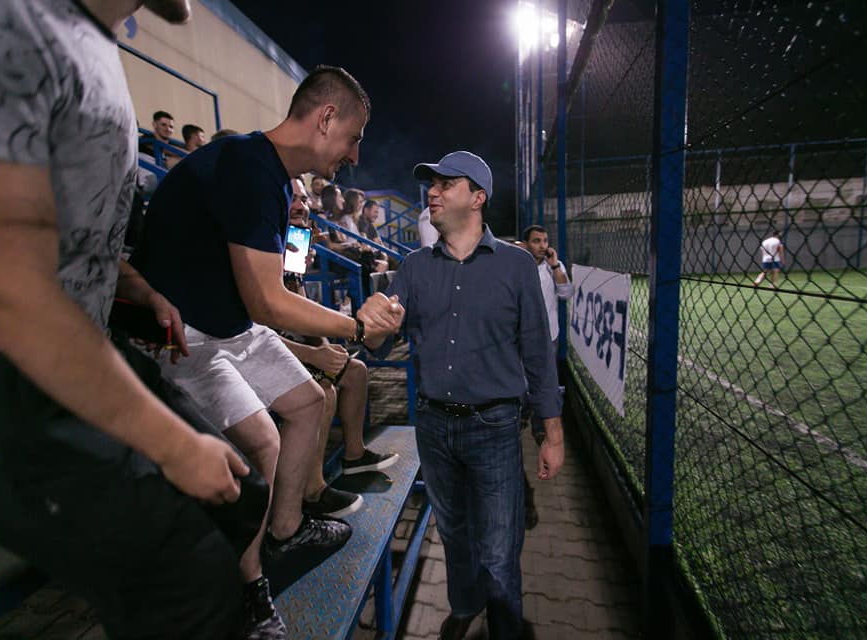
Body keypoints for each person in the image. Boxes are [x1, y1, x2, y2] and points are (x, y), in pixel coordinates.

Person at [0, 1, 280, 639]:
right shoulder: (4, 18)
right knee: (187, 576)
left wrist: (133, 285)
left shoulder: (94, 41)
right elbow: (1, 284)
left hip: (69, 347)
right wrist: (172, 444)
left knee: (239, 501)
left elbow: (71, 229)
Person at [130, 65, 404, 621]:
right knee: (264, 443)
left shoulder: (275, 178)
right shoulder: (246, 166)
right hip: (182, 340)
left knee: (308, 401)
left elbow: (271, 294)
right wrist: (356, 327)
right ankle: (248, 591)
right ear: (326, 119)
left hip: (230, 328)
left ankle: (285, 531)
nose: (353, 157)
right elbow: (266, 301)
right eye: (353, 139)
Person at [368, 151, 565, 640]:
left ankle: (502, 626)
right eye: (431, 185)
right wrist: (371, 320)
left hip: (495, 427)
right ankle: (464, 605)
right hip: (433, 425)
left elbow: (539, 354)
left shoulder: (517, 265)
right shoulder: (413, 267)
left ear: (477, 198)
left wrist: (552, 434)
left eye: (446, 184)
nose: (432, 193)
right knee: (455, 535)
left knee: (499, 547)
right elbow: (378, 341)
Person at [281, 178, 399, 518]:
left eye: (304, 199)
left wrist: (324, 345)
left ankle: (353, 455)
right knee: (324, 390)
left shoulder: (296, 239)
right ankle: (312, 490)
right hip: (258, 349)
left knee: (355, 370)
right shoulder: (258, 245)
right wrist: (315, 354)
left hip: (291, 345)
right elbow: (257, 329)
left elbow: (298, 300)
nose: (301, 206)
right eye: (291, 198)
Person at [520, 225, 573, 529]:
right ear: (527, 243)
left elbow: (566, 292)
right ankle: (524, 416)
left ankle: (542, 430)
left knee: (545, 387)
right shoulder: (520, 264)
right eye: (536, 241)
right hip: (523, 341)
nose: (542, 246)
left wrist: (555, 266)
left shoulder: (554, 266)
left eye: (545, 241)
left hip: (548, 339)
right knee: (528, 385)